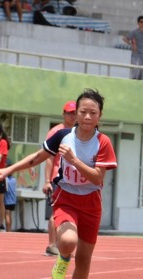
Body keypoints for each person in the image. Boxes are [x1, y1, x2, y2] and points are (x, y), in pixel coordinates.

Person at [0, 89, 117, 279]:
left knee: (84, 258)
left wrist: (74, 160)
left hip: (91, 202)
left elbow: (97, 178)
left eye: (93, 113)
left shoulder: (103, 142)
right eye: (84, 112)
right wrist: (7, 170)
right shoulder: (62, 136)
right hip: (66, 196)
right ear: (76, 115)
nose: (88, 117)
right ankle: (62, 256)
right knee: (69, 241)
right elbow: (38, 157)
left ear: (100, 116)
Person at [42, 101, 77, 255]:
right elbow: (48, 158)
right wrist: (47, 181)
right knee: (57, 212)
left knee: (73, 213)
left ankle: (65, 245)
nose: (72, 116)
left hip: (74, 179)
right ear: (63, 114)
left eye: (74, 112)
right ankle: (52, 244)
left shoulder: (79, 132)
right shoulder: (56, 132)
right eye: (69, 113)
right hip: (58, 177)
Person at [123, 16, 143, 80]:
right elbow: (125, 38)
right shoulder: (134, 32)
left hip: (142, 56)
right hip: (135, 55)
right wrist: (132, 44)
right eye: (141, 22)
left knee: (142, 75)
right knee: (134, 75)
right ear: (138, 23)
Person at [3, 163, 17, 232]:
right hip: (13, 200)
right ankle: (10, 229)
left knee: (7, 215)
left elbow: (5, 189)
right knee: (10, 215)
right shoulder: (14, 180)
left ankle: (7, 230)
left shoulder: (6, 180)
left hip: (7, 200)